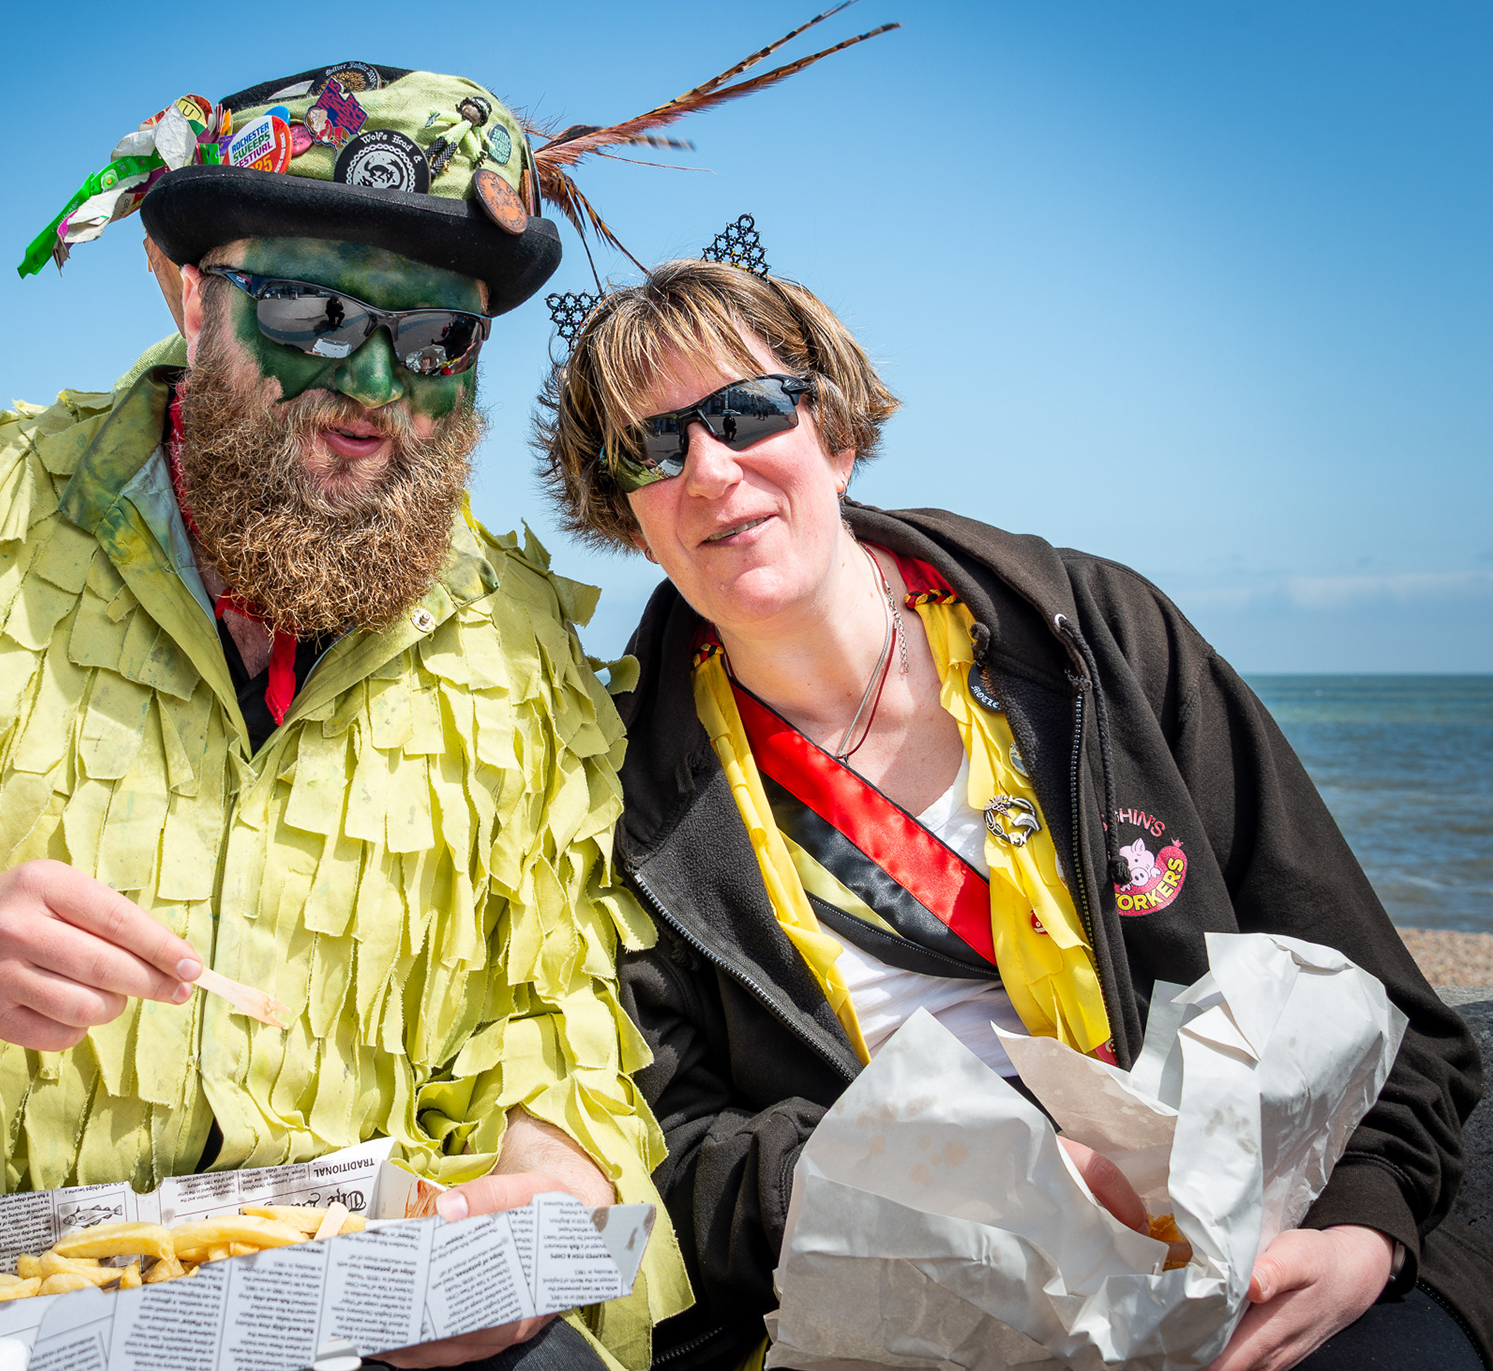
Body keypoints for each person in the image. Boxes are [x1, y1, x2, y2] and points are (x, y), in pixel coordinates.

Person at [0, 65, 693, 1370]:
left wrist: (540, 1191)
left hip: (353, 1316)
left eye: (437, 339)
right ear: (188, 288)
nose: (378, 386)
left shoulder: (522, 638)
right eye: (313, 311)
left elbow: (549, 991)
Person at [533, 253, 1493, 1371]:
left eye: (746, 411)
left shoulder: (1096, 636)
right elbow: (674, 1153)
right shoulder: (614, 784)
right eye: (652, 446)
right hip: (895, 1318)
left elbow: (1381, 1000)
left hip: (1255, 1250)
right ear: (625, 515)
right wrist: (968, 1178)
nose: (709, 469)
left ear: (834, 436)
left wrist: (1366, 1232)